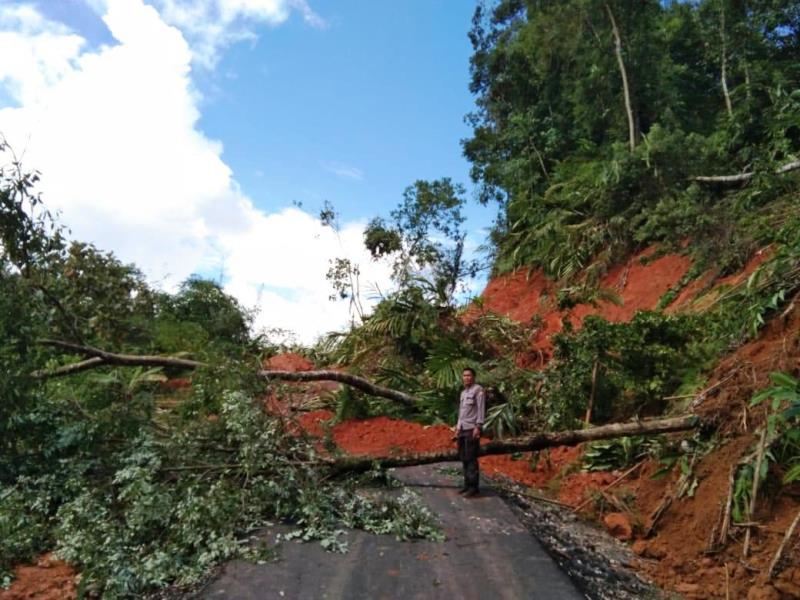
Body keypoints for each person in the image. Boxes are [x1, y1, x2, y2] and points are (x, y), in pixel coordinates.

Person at [454, 367, 485, 497]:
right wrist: (457, 427)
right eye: (464, 375)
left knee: (471, 458)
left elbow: (481, 409)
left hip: (472, 429)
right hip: (462, 429)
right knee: (464, 458)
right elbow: (461, 412)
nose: (466, 377)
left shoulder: (478, 390)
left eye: (469, 375)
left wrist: (478, 426)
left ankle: (474, 487)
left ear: (474, 377)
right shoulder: (463, 393)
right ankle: (467, 485)